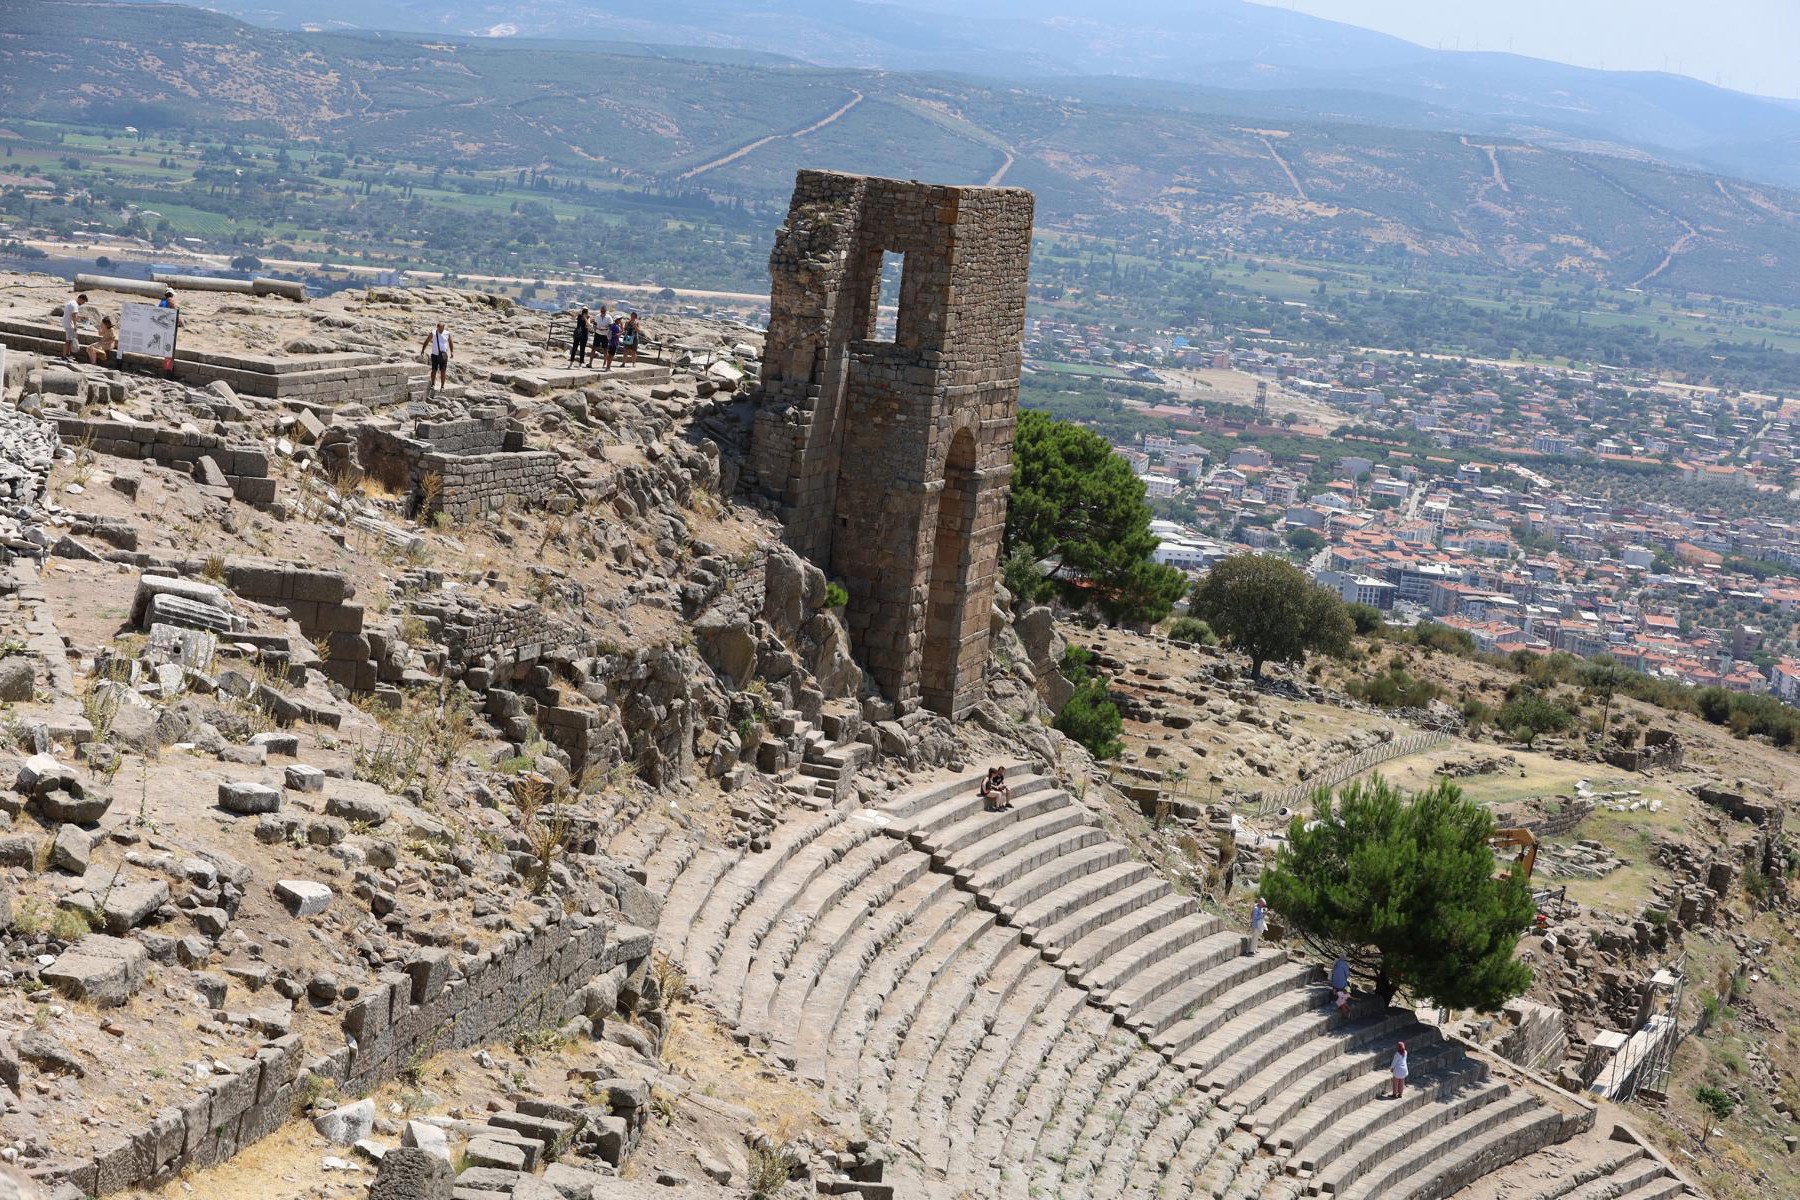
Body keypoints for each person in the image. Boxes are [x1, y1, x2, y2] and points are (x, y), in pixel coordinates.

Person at [421, 321, 453, 395]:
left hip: (443, 355)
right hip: (435, 355)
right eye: (438, 329)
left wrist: (452, 352)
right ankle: (432, 384)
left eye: (440, 329)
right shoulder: (433, 332)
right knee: (434, 370)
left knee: (443, 371)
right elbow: (427, 340)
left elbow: (450, 342)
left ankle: (442, 387)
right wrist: (423, 349)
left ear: (443, 327)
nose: (439, 331)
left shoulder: (447, 333)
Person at [59, 291, 88, 358]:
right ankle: (64, 356)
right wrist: (75, 325)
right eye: (83, 302)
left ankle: (67, 354)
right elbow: (74, 316)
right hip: (69, 324)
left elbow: (73, 315)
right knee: (68, 341)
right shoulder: (75, 305)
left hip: (66, 322)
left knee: (70, 340)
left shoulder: (71, 302)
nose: (82, 304)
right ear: (80, 299)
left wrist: (82, 317)